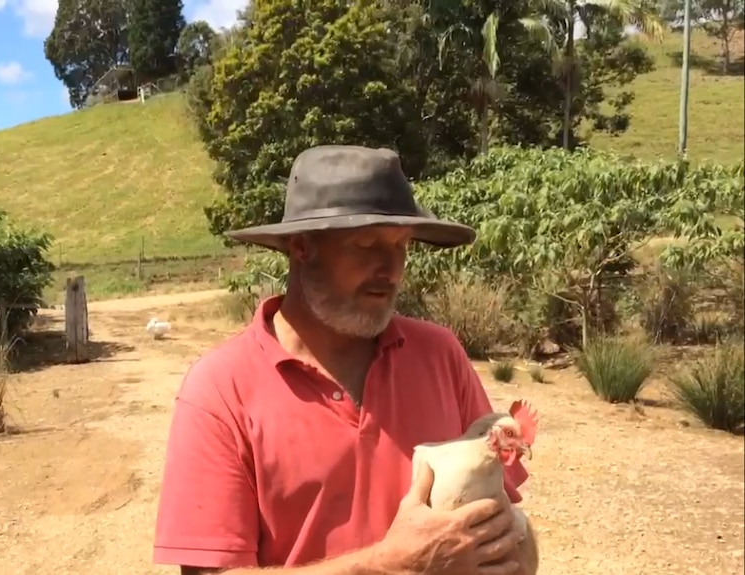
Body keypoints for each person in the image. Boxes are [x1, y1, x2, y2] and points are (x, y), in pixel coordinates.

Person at [153, 145, 536, 575]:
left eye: (401, 246)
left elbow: (504, 526)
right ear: (301, 247)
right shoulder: (220, 391)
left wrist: (511, 549)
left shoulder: (441, 355)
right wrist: (391, 566)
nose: (391, 268)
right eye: (366, 244)